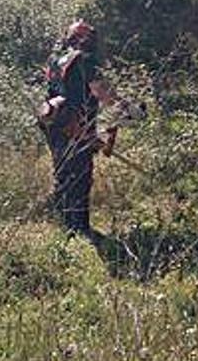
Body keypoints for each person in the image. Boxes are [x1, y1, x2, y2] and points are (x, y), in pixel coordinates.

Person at [36, 19, 125, 239]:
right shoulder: (84, 59)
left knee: (62, 174)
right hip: (75, 127)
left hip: (53, 124)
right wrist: (125, 106)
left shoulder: (55, 60)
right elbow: (101, 91)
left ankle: (64, 227)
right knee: (80, 178)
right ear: (86, 39)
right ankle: (80, 231)